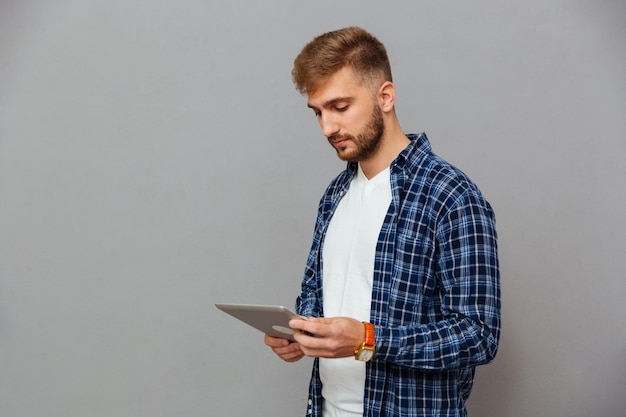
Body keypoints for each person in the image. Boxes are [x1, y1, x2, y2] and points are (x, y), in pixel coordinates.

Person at [264, 26, 501, 417]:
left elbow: (478, 335)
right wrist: (300, 334)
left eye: (340, 108)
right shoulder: (334, 196)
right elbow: (313, 296)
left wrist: (366, 339)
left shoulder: (451, 196)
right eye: (318, 112)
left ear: (385, 97)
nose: (327, 128)